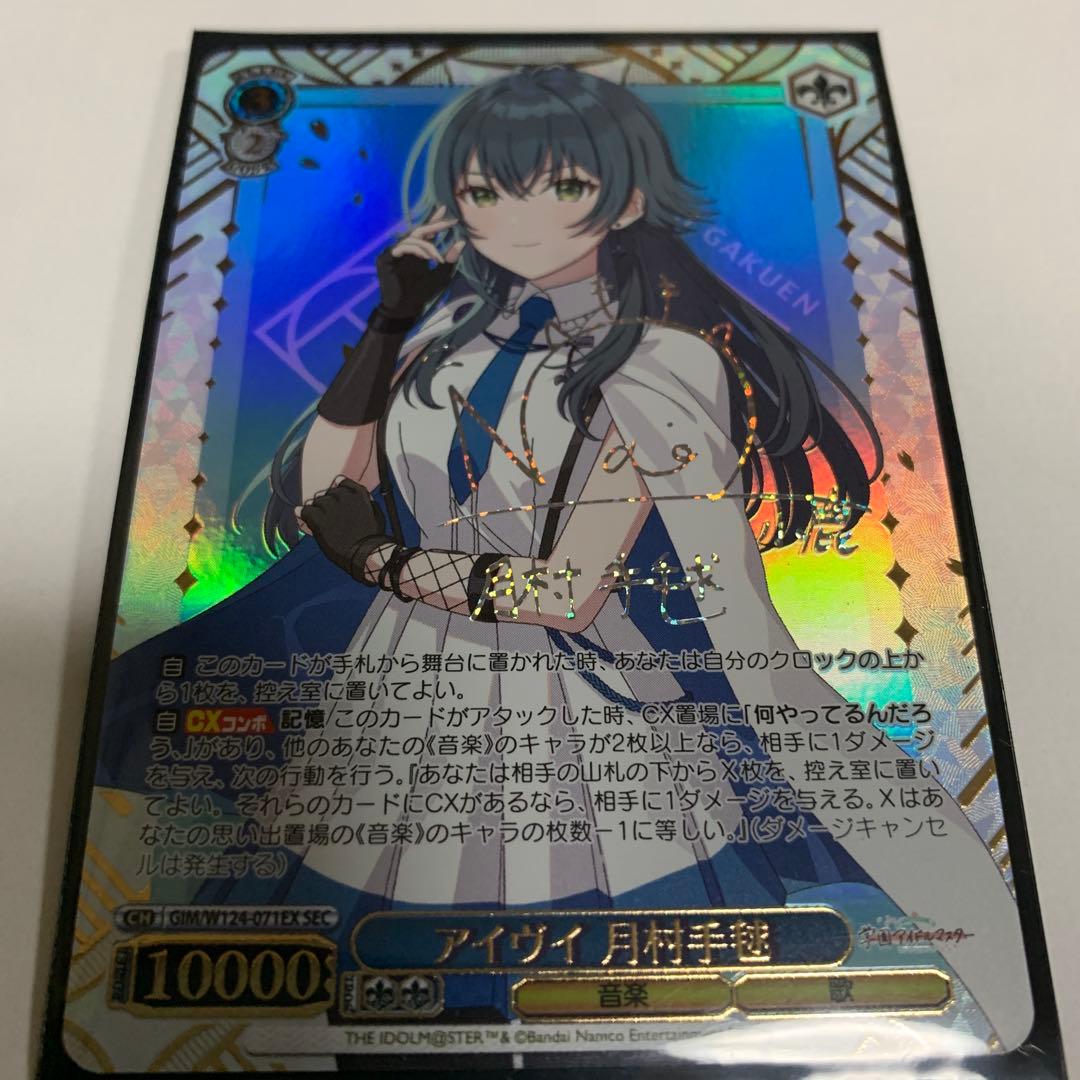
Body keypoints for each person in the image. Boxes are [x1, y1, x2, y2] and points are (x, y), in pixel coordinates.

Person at [256, 66, 1031, 1045]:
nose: (516, 219)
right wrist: (389, 319)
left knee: (615, 1014)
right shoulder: (443, 336)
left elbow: (566, 593)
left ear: (625, 201)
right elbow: (327, 488)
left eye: (560, 186)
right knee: (372, 1014)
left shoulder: (662, 361)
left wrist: (379, 562)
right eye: (485, 191)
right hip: (402, 702)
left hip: (577, 721)